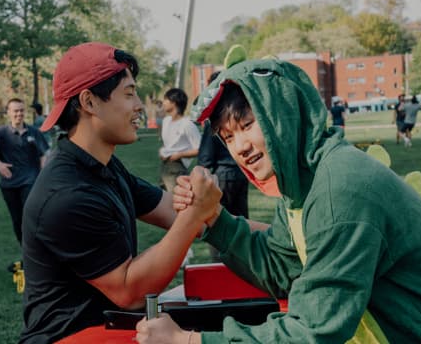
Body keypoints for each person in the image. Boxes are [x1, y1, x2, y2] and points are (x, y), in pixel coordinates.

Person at [136, 59, 421, 343]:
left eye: (249, 125)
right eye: (228, 137)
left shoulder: (339, 190)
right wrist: (215, 219)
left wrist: (188, 339)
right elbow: (281, 268)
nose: (241, 147)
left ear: (284, 114)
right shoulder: (306, 182)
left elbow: (315, 329)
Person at [19, 42, 222, 343]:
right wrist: (193, 215)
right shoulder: (66, 195)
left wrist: (284, 240)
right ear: (88, 101)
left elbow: (173, 209)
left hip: (111, 330)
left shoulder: (106, 168)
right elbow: (130, 291)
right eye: (129, 94)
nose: (140, 105)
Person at [0, 98, 49, 245]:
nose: (19, 114)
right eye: (16, 111)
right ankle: (26, 252)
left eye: (22, 110)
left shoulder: (33, 132)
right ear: (8, 113)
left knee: (30, 216)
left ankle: (36, 250)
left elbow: (44, 153)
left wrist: (42, 170)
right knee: (17, 220)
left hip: (30, 182)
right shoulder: (2, 133)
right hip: (9, 184)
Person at [198, 71, 249, 262]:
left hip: (223, 176)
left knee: (218, 224)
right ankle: (243, 262)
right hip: (241, 173)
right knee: (242, 222)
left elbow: (206, 156)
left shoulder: (215, 117)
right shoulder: (239, 111)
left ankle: (221, 265)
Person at [159, 88, 201, 192]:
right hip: (165, 166)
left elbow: (200, 149)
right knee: (163, 200)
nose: (163, 102)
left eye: (166, 99)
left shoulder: (187, 124)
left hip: (178, 168)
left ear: (174, 102)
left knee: (176, 201)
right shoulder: (166, 121)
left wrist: (179, 155)